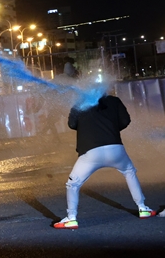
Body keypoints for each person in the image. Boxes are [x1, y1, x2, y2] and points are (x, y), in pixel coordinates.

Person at [53, 93, 156, 229]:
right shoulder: (114, 100)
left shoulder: (80, 102)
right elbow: (125, 121)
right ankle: (143, 208)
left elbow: (72, 124)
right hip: (115, 148)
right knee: (129, 172)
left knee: (73, 184)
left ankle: (71, 218)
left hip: (91, 152)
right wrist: (110, 129)